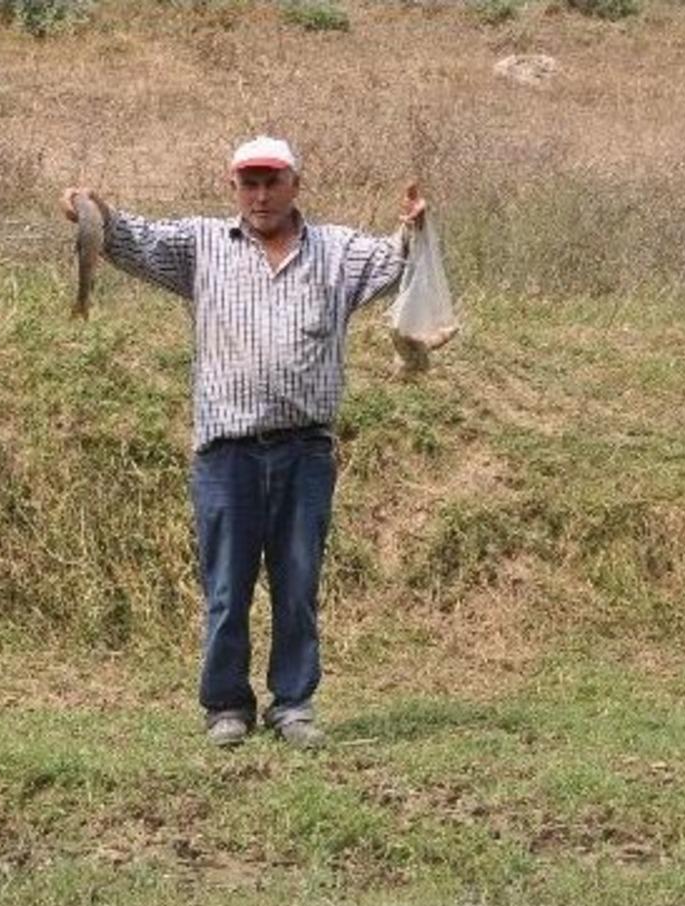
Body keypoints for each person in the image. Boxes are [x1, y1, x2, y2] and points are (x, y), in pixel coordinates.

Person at [62, 138, 426, 748]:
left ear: (295, 185)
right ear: (233, 188)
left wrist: (414, 229)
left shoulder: (335, 253)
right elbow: (127, 237)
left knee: (298, 582)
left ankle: (294, 704)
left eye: (272, 182)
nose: (260, 196)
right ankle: (226, 705)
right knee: (226, 587)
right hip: (226, 452)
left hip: (305, 451)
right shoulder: (201, 245)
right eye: (248, 184)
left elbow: (396, 261)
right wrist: (90, 207)